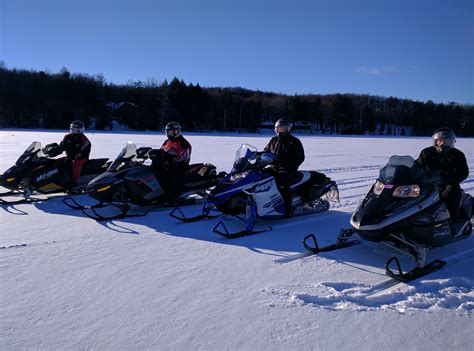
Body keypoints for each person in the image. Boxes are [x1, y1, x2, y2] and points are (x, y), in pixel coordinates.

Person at [415, 127, 469, 221]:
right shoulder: (427, 152)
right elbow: (417, 165)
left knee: (452, 192)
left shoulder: (457, 155)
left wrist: (447, 178)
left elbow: (463, 172)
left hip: (446, 182)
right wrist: (407, 169)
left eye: (446, 142)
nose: (442, 144)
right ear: (435, 141)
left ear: (451, 142)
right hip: (427, 181)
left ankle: (453, 218)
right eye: (439, 141)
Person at [263, 118, 305, 216]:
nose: (280, 131)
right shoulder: (274, 140)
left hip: (288, 170)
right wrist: (258, 156)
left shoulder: (294, 141)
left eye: (283, 129)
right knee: (261, 177)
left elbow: (300, 157)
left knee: (282, 185)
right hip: (274, 168)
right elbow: (266, 152)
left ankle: (287, 209)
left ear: (288, 130)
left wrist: (288, 166)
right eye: (279, 129)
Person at [151, 121, 192, 202]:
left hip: (180, 166)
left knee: (167, 177)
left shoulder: (183, 143)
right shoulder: (167, 141)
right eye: (169, 132)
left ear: (178, 131)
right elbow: (162, 150)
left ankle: (172, 196)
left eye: (173, 132)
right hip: (167, 164)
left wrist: (163, 155)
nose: (171, 134)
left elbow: (178, 155)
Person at [45, 120, 91, 191]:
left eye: (78, 129)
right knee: (56, 162)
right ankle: (55, 180)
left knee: (75, 164)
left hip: (82, 158)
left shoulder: (84, 139)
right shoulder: (67, 137)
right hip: (70, 156)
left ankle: (73, 183)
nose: (76, 131)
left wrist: (73, 155)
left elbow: (80, 150)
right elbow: (62, 146)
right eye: (74, 129)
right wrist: (55, 150)